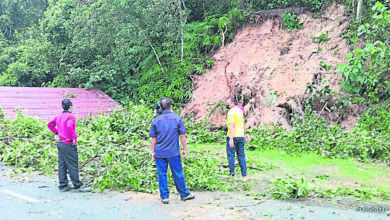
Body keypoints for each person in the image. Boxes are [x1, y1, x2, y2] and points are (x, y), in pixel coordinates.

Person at [149, 97, 195, 204]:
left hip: (160, 152)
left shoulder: (156, 121)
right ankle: (184, 194)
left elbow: (153, 139)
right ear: (171, 107)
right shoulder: (177, 119)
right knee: (178, 173)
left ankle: (164, 197)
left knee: (162, 174)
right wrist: (184, 149)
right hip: (173, 152)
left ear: (160, 107)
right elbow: (182, 136)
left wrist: (153, 152)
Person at [47, 99, 90, 192]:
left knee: (62, 164)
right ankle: (77, 185)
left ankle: (63, 185)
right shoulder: (70, 116)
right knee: (72, 164)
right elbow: (70, 128)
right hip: (68, 143)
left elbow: (50, 124)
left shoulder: (59, 116)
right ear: (70, 106)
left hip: (60, 143)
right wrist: (72, 139)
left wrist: (57, 132)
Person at [226, 97, 248, 180]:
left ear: (232, 103)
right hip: (241, 136)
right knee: (241, 155)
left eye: (228, 103)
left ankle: (232, 174)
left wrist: (231, 139)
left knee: (231, 155)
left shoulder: (231, 112)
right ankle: (244, 175)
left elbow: (232, 126)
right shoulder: (240, 111)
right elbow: (243, 123)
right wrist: (245, 134)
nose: (227, 105)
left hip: (233, 136)